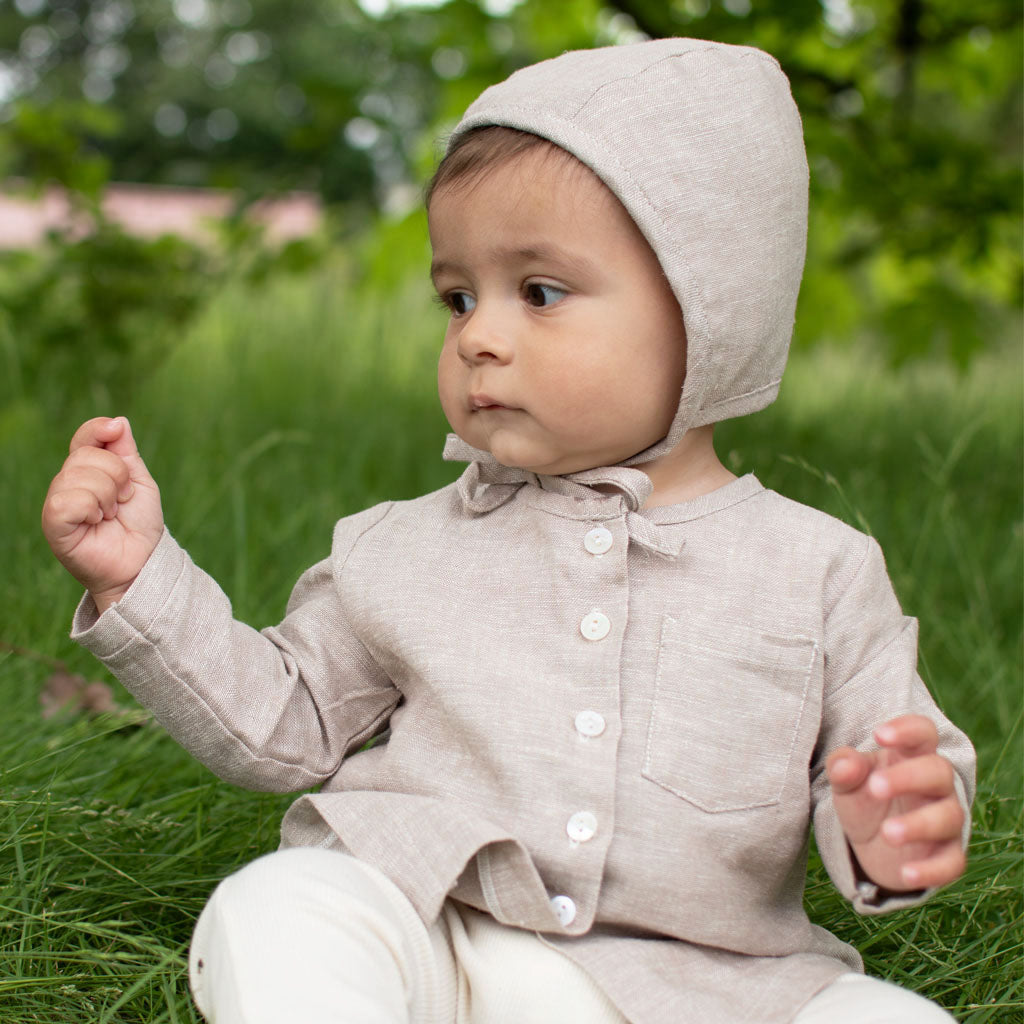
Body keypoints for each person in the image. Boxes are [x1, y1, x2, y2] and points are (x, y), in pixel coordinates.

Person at [42, 38, 975, 1024]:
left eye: (538, 292)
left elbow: (882, 759)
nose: (479, 334)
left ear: (711, 313)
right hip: (436, 941)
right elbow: (284, 724)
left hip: (711, 987)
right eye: (457, 296)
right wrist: (138, 578)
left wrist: (892, 821)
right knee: (278, 906)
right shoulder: (401, 548)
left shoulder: (817, 571)